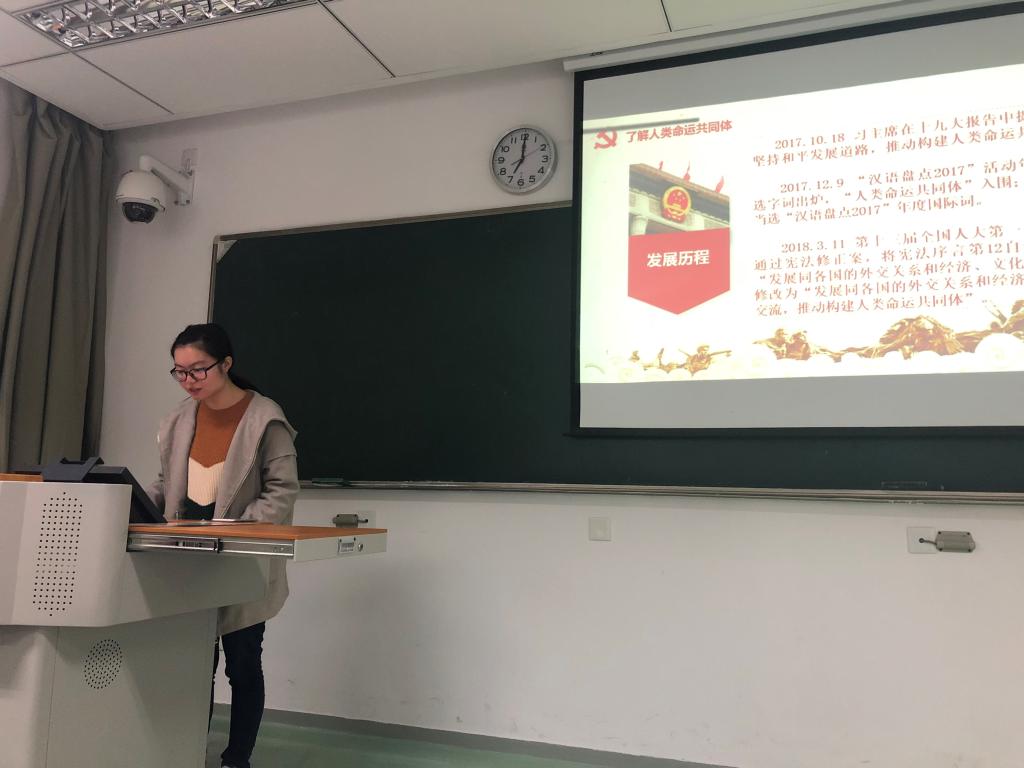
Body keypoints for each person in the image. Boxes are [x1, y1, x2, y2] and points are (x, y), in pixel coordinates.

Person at [147, 323, 298, 768]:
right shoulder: (177, 419)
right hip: (186, 560)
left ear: (226, 364)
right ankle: (190, 750)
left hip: (241, 560)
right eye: (179, 372)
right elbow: (165, 484)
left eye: (198, 370)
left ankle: (237, 758)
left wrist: (236, 528)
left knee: (243, 663)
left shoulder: (264, 417)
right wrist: (131, 505)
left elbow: (282, 490)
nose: (189, 380)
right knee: (195, 665)